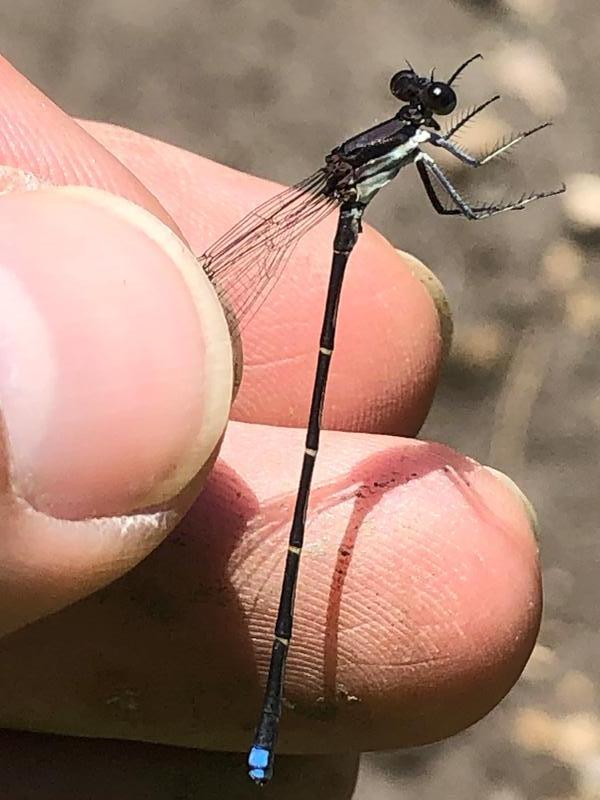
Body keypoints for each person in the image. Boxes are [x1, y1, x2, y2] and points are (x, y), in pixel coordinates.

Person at [0, 55, 540, 798]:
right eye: (426, 99)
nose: (426, 103)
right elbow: (461, 196)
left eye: (428, 98)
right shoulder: (414, 141)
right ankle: (266, 726)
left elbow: (453, 188)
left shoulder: (402, 139)